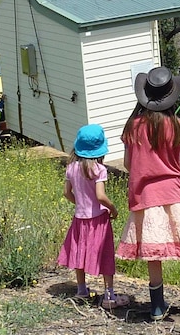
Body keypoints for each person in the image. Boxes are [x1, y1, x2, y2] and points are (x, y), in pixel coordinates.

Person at [116, 66, 180, 320]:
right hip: (173, 192)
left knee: (153, 251)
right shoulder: (179, 126)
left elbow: (128, 164)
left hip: (145, 195)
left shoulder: (134, 126)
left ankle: (158, 307)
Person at [57, 124, 130, 310]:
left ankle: (81, 290)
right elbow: (100, 196)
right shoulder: (99, 169)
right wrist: (113, 209)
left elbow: (66, 193)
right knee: (105, 256)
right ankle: (109, 296)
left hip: (79, 219)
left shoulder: (71, 167)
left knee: (79, 252)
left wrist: (80, 203)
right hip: (98, 219)